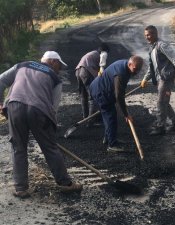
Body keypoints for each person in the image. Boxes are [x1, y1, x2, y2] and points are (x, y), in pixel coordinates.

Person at [0, 51, 83, 198]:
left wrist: (1, 103)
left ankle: (21, 188)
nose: (59, 70)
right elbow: (53, 108)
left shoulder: (21, 65)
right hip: (39, 110)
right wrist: (50, 132)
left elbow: (1, 80)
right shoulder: (55, 79)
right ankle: (65, 184)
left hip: (15, 105)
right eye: (59, 66)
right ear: (52, 62)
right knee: (50, 148)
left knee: (18, 147)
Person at [89, 56, 144, 152]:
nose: (136, 72)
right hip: (100, 92)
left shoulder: (125, 65)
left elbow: (119, 92)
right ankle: (112, 145)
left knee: (110, 116)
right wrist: (126, 115)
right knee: (110, 117)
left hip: (103, 89)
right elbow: (119, 96)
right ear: (130, 64)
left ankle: (108, 139)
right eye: (135, 69)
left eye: (138, 70)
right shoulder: (121, 73)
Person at [140, 25, 175, 136]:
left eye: (149, 35)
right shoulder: (152, 48)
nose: (147, 37)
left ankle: (160, 127)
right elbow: (152, 67)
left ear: (155, 34)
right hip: (161, 79)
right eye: (146, 35)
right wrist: (146, 78)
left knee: (161, 102)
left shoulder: (162, 45)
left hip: (167, 78)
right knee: (164, 102)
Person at [75, 43, 110, 125]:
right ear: (106, 50)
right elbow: (102, 67)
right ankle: (91, 120)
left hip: (78, 71)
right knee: (93, 97)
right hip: (86, 72)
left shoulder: (92, 53)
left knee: (83, 96)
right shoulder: (103, 53)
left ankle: (85, 117)